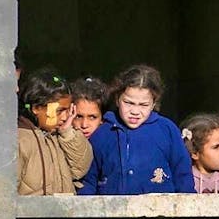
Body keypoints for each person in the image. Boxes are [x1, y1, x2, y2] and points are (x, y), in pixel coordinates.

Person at [79, 65, 196, 194]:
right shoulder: (103, 134)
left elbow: (183, 175)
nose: (135, 111)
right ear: (118, 99)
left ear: (154, 103)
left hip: (160, 211)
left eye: (143, 105)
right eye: (128, 103)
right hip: (113, 212)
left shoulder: (167, 130)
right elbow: (89, 181)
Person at [17, 67, 94, 196]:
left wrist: (68, 133)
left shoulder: (57, 136)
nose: (65, 117)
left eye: (68, 110)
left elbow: (79, 169)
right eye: (59, 111)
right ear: (36, 108)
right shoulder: (20, 141)